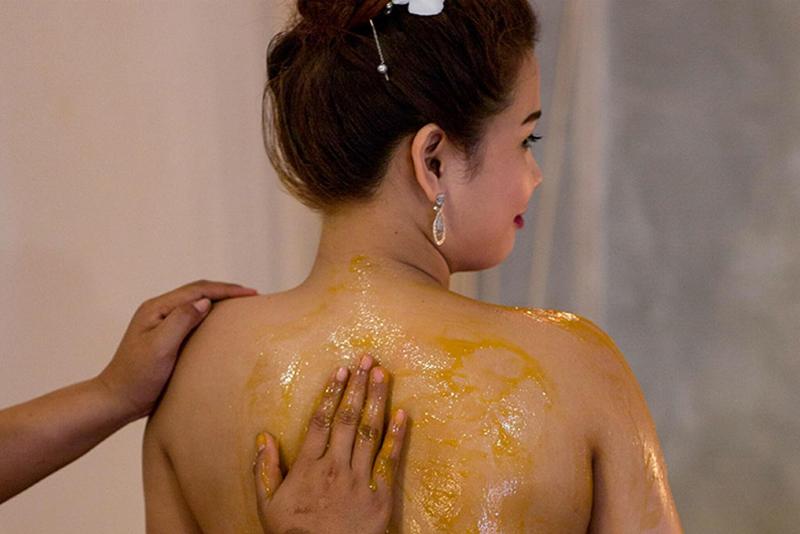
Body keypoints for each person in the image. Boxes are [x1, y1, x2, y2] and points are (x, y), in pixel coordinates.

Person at [144, 0, 684, 532]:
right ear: (433, 160)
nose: (535, 173)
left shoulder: (192, 370)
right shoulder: (575, 371)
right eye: (526, 139)